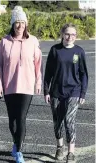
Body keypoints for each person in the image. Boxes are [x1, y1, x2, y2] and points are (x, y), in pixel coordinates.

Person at [0, 6, 42, 163]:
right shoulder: (4, 42)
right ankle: (16, 143)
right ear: (12, 24)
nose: (20, 25)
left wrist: (38, 82)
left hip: (27, 85)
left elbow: (38, 64)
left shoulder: (33, 41)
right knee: (12, 120)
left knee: (21, 118)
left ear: (26, 24)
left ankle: (19, 150)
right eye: (17, 22)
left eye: (23, 22)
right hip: (9, 85)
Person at [44, 23, 88, 163]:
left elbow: (84, 74)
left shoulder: (79, 51)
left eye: (73, 34)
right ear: (62, 34)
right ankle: (60, 147)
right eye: (67, 34)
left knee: (69, 121)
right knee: (58, 122)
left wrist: (82, 93)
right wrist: (46, 91)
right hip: (56, 91)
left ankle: (71, 152)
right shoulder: (55, 50)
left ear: (76, 36)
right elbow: (48, 73)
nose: (70, 37)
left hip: (73, 91)